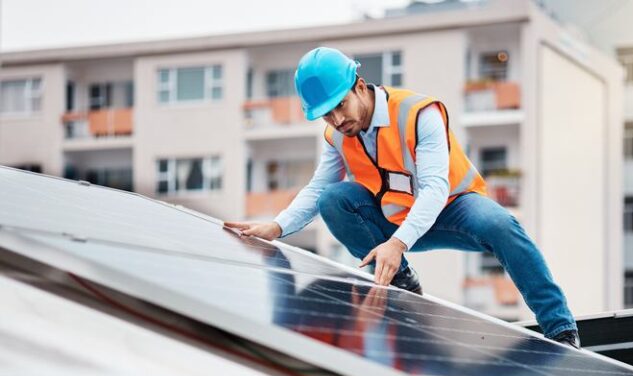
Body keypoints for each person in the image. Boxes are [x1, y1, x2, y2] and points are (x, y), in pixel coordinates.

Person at [224, 47, 580, 348]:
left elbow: (435, 188)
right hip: (393, 219)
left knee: (500, 224)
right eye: (326, 114)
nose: (337, 119)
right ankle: (402, 283)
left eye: (341, 105)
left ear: (360, 87)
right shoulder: (337, 136)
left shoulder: (418, 113)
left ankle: (561, 328)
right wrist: (277, 226)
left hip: (453, 208)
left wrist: (397, 244)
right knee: (333, 199)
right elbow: (318, 188)